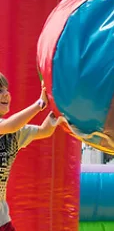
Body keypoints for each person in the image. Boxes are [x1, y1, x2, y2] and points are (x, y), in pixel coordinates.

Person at [0, 72, 64, 230]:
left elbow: (44, 130)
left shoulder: (14, 134)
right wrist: (40, 104)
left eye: (6, 90)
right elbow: (10, 126)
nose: (6, 94)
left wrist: (58, 110)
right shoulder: (10, 127)